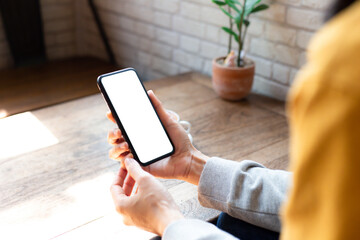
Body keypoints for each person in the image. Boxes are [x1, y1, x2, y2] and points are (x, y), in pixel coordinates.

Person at [106, 0, 360, 239]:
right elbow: (318, 197)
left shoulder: (347, 57)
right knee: (232, 221)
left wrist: (167, 220)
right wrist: (191, 163)